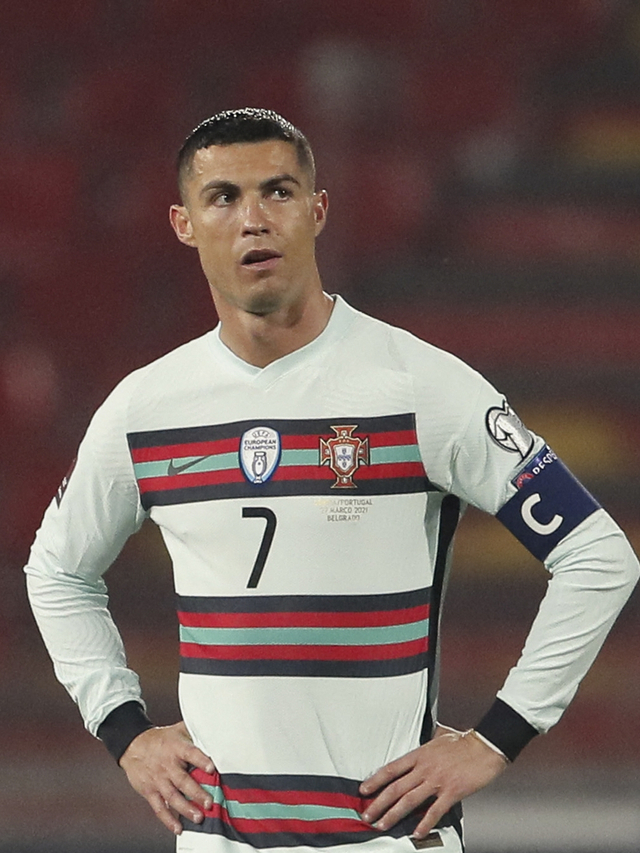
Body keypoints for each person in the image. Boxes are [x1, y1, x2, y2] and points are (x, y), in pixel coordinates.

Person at [26, 108, 639, 853]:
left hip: (380, 841)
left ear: (317, 210)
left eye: (278, 192)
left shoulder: (421, 386)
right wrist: (125, 730)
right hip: (218, 841)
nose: (254, 219)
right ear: (183, 223)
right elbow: (56, 569)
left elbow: (599, 554)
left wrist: (495, 738)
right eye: (223, 197)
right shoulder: (145, 409)